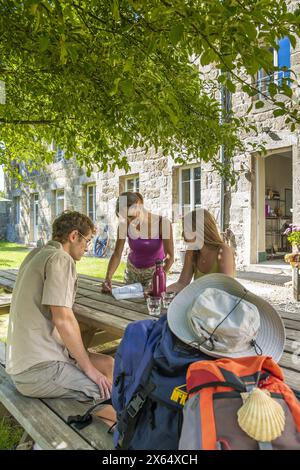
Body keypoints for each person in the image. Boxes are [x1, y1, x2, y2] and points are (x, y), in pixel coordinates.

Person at [6, 211, 115, 424]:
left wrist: (89, 363)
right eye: (87, 241)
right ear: (74, 236)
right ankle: (105, 439)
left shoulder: (37, 253)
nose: (88, 247)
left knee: (108, 363)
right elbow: (63, 319)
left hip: (27, 360)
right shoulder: (60, 259)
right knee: (104, 391)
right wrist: (89, 369)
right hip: (36, 369)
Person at [102, 192, 174, 292]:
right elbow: (117, 254)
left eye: (131, 216)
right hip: (132, 273)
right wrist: (108, 278)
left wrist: (157, 279)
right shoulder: (124, 225)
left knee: (151, 303)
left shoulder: (162, 223)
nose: (129, 221)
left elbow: (169, 257)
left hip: (155, 273)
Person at [167, 208, 235, 293]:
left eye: (186, 230)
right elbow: (182, 283)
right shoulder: (191, 251)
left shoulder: (223, 250)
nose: (182, 234)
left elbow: (226, 288)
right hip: (200, 302)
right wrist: (159, 291)